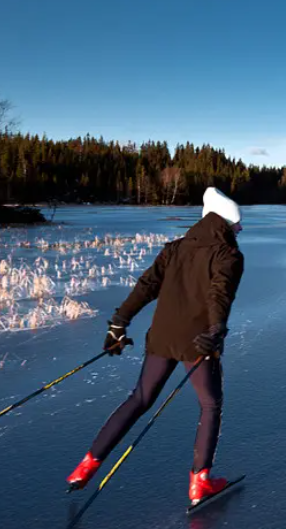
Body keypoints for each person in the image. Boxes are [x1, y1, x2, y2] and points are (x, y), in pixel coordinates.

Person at [66, 187, 245, 506]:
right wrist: (216, 328)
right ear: (222, 223)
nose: (240, 228)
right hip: (198, 342)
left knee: (140, 398)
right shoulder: (228, 255)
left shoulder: (175, 249)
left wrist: (119, 322)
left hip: (162, 336)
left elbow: (147, 285)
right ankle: (200, 482)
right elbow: (220, 293)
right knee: (210, 404)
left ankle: (86, 465)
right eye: (236, 223)